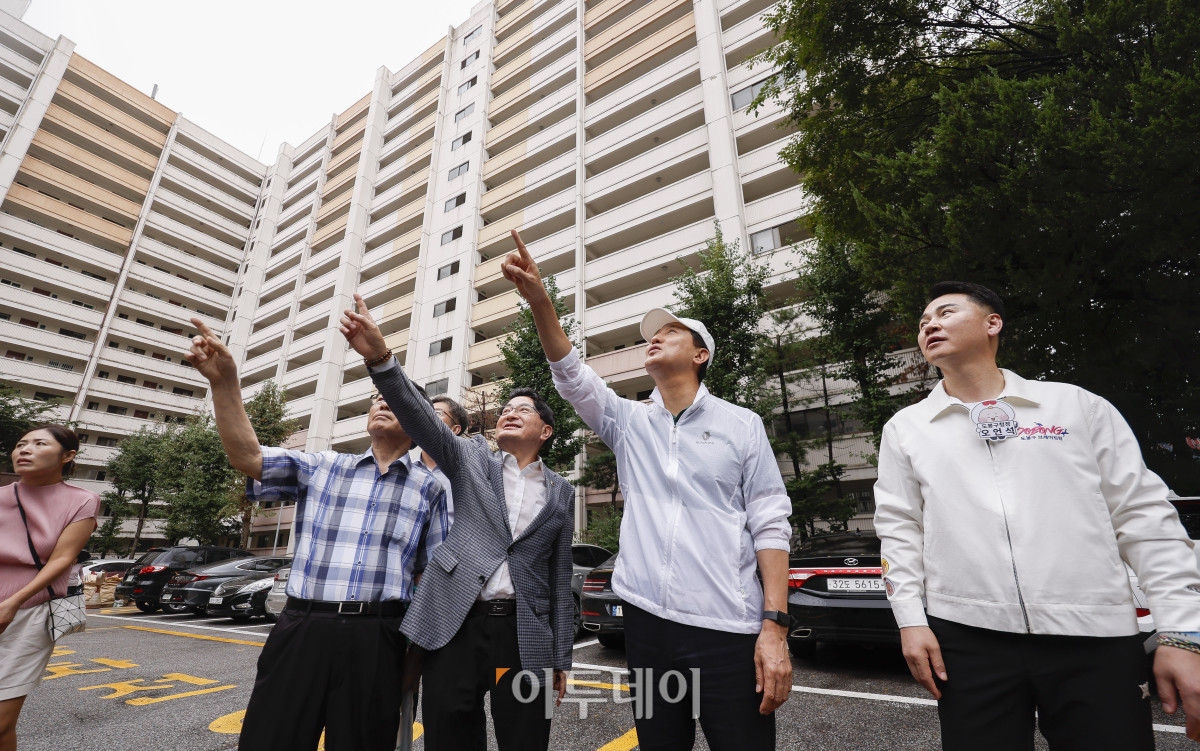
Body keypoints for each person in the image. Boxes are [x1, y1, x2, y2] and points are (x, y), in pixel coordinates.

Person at [500, 229, 794, 750]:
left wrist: (773, 626)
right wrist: (541, 301)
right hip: (649, 627)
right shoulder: (630, 422)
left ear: (700, 354)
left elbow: (771, 523)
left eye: (671, 331)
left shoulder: (741, 424)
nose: (654, 338)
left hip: (728, 627)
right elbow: (571, 376)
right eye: (651, 334)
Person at [873, 281, 1200, 749]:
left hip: (1094, 632)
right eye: (923, 322)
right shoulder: (907, 428)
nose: (930, 325)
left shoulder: (1075, 406)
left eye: (945, 313)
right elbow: (899, 528)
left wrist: (1182, 632)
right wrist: (910, 619)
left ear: (993, 323)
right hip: (966, 638)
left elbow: (1142, 515)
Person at [185, 317, 447, 751]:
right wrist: (224, 383)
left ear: (419, 419)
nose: (381, 402)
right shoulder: (323, 466)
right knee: (271, 740)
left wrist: (413, 661)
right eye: (376, 398)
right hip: (303, 626)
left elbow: (431, 582)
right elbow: (248, 456)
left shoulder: (430, 488)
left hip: (379, 636)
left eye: (394, 398)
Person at [339, 294, 575, 751]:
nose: (509, 412)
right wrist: (381, 359)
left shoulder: (562, 492)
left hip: (523, 635)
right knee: (449, 736)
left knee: (525, 738)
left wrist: (561, 656)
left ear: (545, 431)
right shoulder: (472, 458)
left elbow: (559, 576)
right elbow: (422, 419)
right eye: (505, 409)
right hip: (457, 624)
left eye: (522, 410)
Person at [0, 425, 98, 751]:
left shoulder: (82, 501)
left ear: (67, 456)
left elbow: (62, 559)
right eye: (20, 444)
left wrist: (13, 602)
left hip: (28, 613)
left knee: (1, 723)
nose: (24, 450)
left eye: (39, 444)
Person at [413, 394, 469, 527]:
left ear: (455, 429)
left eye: (437, 413)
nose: (428, 416)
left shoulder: (467, 474)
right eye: (426, 411)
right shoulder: (407, 469)